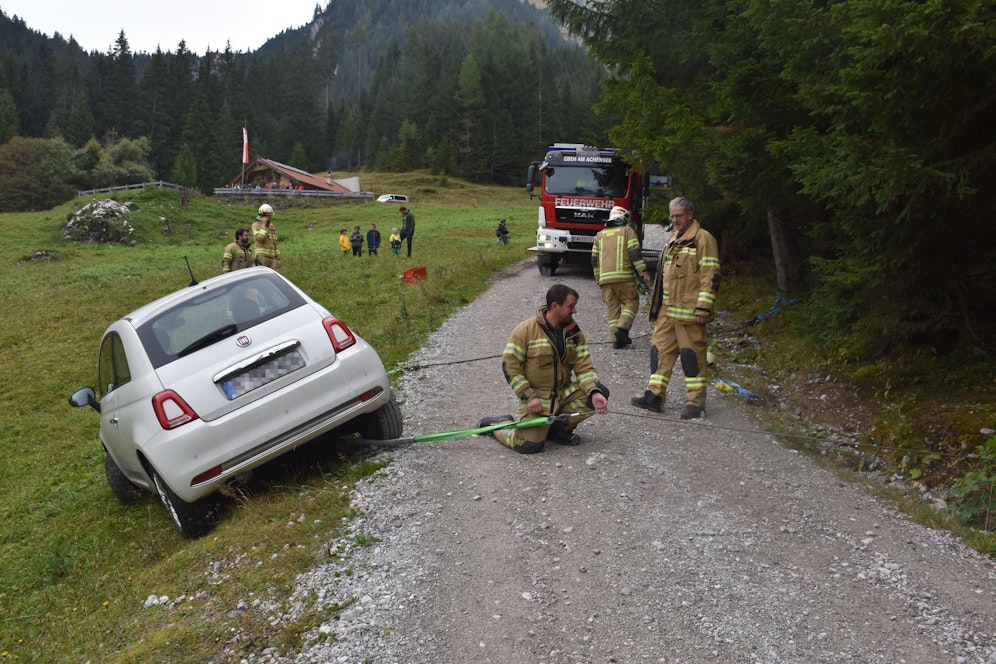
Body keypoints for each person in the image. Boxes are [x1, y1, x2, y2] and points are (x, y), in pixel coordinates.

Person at [478, 284, 609, 454]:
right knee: (528, 445)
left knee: (599, 391)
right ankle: (499, 425)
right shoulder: (525, 330)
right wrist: (528, 396)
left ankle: (557, 432)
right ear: (555, 306)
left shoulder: (574, 333)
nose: (574, 311)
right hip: (537, 401)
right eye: (570, 306)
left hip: (563, 395)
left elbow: (584, 368)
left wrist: (594, 392)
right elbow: (510, 366)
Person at [631, 197, 721, 419]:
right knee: (659, 351)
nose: (675, 220)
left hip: (690, 313)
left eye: (679, 216)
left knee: (691, 357)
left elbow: (710, 275)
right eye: (672, 216)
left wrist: (704, 307)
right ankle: (654, 396)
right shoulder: (674, 237)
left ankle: (695, 404)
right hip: (668, 310)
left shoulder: (703, 239)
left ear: (690, 214)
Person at [591, 206, 651, 349]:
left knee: (612, 309)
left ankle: (616, 340)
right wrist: (643, 272)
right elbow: (635, 254)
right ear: (624, 218)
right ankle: (622, 329)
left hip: (605, 280)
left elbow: (594, 260)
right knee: (631, 302)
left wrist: (598, 278)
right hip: (625, 278)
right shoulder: (628, 231)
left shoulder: (600, 235)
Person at [251, 204, 280, 270]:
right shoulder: (255, 225)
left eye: (271, 215)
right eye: (268, 215)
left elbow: (275, 243)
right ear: (262, 215)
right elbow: (260, 238)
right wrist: (263, 226)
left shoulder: (271, 226)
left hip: (272, 259)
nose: (270, 217)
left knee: (273, 275)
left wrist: (278, 258)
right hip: (262, 258)